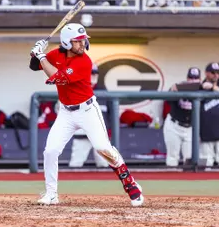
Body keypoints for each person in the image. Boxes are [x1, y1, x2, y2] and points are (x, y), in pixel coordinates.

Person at [29, 23, 144, 207]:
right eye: (78, 41)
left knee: (102, 147)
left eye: (84, 40)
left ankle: (129, 182)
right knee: (50, 151)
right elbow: (35, 66)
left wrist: (42, 56)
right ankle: (51, 194)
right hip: (66, 112)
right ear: (67, 42)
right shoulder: (55, 55)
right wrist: (36, 52)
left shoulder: (84, 61)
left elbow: (58, 78)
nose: (83, 44)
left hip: (87, 110)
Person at [69, 63, 110, 168]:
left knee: (104, 165)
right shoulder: (74, 89)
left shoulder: (104, 92)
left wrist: (108, 130)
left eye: (95, 74)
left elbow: (109, 114)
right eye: (90, 73)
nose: (93, 76)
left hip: (99, 134)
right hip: (81, 133)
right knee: (75, 164)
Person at [163, 67, 201, 166]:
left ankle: (189, 181)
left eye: (195, 78)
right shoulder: (180, 87)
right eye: (191, 78)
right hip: (174, 125)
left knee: (189, 159)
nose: (193, 80)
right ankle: (170, 181)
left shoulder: (202, 89)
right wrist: (173, 90)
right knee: (172, 157)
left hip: (189, 129)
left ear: (199, 79)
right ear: (187, 78)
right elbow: (167, 100)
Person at [199, 62, 219, 167]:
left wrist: (213, 87)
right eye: (213, 72)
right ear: (206, 73)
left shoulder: (218, 86)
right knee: (207, 164)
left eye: (218, 72)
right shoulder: (200, 86)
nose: (216, 75)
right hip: (206, 133)